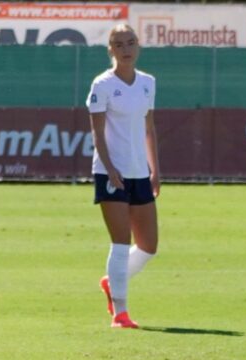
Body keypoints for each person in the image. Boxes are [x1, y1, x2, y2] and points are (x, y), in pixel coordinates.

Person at [88, 23, 160, 329]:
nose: (126, 49)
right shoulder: (102, 85)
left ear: (138, 46)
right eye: (119, 44)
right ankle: (121, 312)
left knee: (148, 246)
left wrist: (155, 169)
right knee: (120, 242)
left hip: (139, 172)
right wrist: (110, 169)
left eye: (131, 42)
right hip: (110, 172)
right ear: (111, 50)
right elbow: (97, 132)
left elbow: (149, 128)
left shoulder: (147, 82)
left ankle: (112, 282)